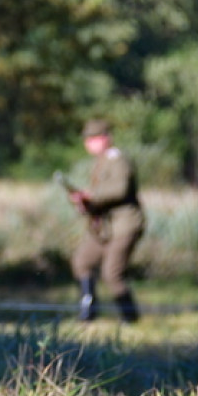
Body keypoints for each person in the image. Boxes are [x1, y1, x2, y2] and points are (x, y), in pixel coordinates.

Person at [66, 119, 144, 323]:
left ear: (106, 138)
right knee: (82, 261)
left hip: (124, 226)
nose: (88, 143)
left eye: (93, 139)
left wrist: (91, 196)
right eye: (87, 139)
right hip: (104, 228)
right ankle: (88, 312)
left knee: (112, 273)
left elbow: (120, 189)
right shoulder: (100, 162)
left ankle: (130, 318)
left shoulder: (117, 160)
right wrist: (84, 202)